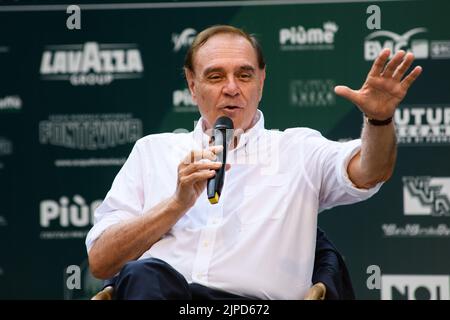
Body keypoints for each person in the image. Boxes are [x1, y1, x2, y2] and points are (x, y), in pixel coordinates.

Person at [86, 25, 422, 300]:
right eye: (216, 77)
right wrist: (177, 204)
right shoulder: (153, 151)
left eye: (244, 76)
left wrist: (379, 121)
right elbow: (102, 262)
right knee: (143, 275)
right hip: (164, 295)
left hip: (250, 307)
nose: (232, 88)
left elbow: (370, 170)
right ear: (192, 84)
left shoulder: (298, 149)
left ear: (261, 81)